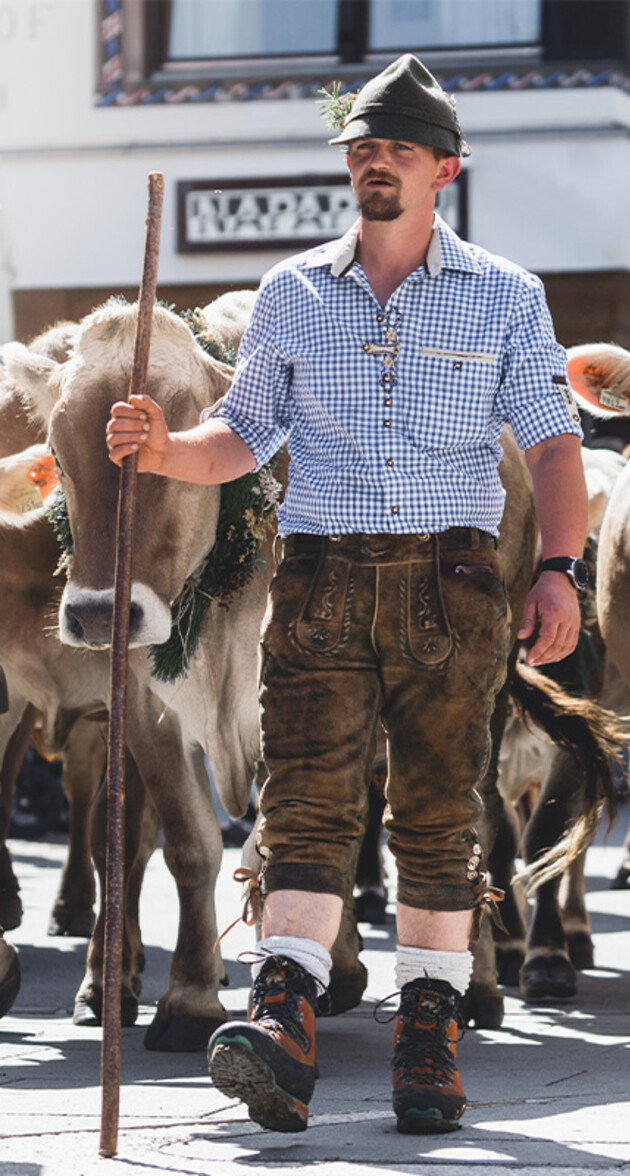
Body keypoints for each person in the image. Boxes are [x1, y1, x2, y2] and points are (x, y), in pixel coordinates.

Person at [106, 54, 588, 1136]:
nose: (375, 163)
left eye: (398, 150)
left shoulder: (507, 295)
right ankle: (283, 1018)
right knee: (305, 807)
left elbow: (556, 449)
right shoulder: (291, 291)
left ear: (443, 170)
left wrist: (558, 568)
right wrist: (159, 449)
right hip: (318, 577)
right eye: (363, 149)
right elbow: (240, 441)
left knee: (434, 815)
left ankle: (430, 1038)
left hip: (452, 583)